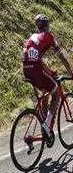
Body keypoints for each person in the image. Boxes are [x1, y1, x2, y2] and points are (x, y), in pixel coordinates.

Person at [22, 13, 73, 146]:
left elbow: (36, 58)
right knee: (55, 92)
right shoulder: (49, 36)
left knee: (45, 91)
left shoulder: (33, 37)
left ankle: (44, 129)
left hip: (26, 68)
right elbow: (62, 56)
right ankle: (47, 126)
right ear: (48, 26)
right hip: (36, 68)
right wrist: (71, 72)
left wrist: (49, 71)